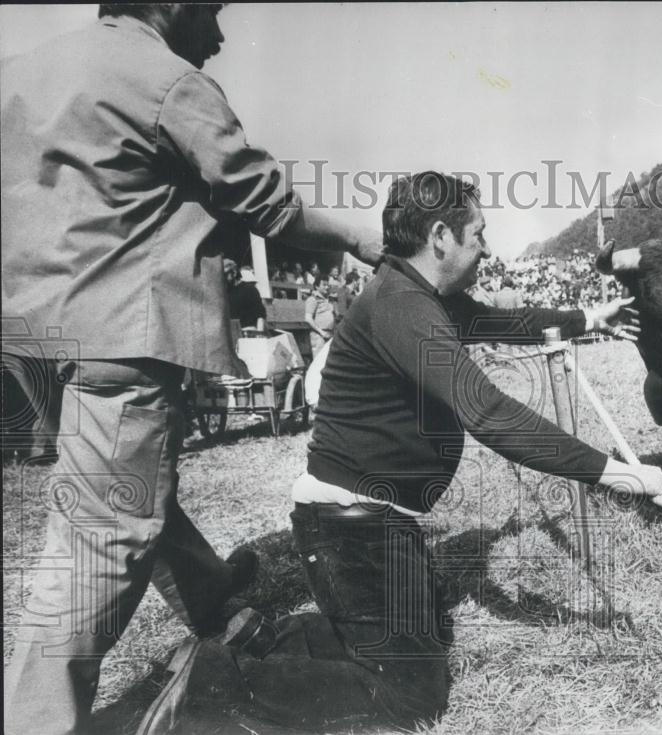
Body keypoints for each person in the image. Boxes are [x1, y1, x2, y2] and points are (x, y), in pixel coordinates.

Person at [0, 5, 381, 734]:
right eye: (210, 11)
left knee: (119, 489)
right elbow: (269, 204)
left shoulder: (21, 73)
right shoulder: (167, 80)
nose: (219, 36)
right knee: (102, 540)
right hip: (119, 335)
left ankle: (212, 601)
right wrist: (364, 238)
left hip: (31, 337)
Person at [289, 172, 662, 727]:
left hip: (374, 522)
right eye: (479, 234)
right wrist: (614, 473)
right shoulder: (402, 303)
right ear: (441, 235)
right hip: (350, 527)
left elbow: (503, 321)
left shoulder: (418, 293)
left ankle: (267, 637)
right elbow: (487, 412)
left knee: (425, 639)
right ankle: (215, 677)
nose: (487, 249)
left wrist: (589, 317)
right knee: (411, 701)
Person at [224, 259, 267, 332]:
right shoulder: (224, 293)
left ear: (234, 273)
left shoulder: (250, 290)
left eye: (224, 275)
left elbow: (260, 316)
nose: (222, 279)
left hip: (249, 334)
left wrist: (259, 334)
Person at [304, 276, 337, 356]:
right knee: (318, 362)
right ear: (317, 286)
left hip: (330, 334)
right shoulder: (313, 299)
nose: (327, 287)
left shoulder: (329, 300)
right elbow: (308, 318)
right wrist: (321, 332)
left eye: (327, 285)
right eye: (324, 285)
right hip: (319, 335)